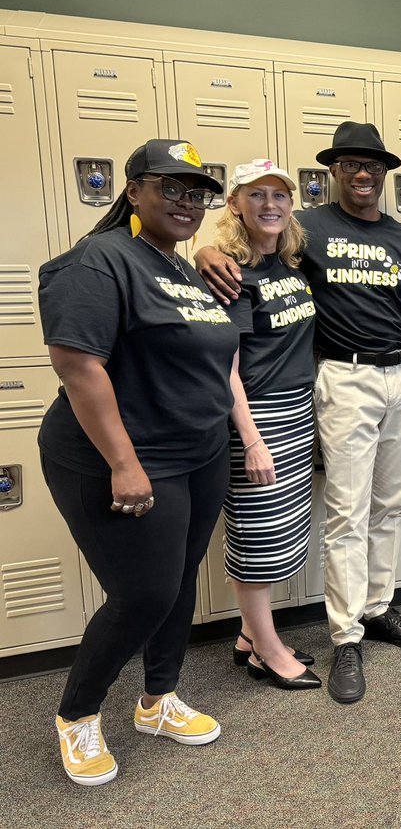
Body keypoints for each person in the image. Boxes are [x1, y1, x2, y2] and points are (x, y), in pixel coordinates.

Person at [196, 122, 401, 704]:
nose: (363, 174)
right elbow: (249, 245)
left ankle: (378, 608)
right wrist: (205, 249)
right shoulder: (312, 231)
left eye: (373, 166)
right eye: (351, 164)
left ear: (385, 174)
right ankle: (346, 635)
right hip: (343, 375)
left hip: (400, 375)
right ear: (333, 171)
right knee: (348, 513)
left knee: (390, 503)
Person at [39, 140, 237, 785]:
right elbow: (76, 363)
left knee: (177, 580)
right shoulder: (100, 261)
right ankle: (77, 714)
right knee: (143, 592)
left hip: (195, 451)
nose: (187, 202)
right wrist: (124, 464)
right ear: (134, 191)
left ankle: (158, 699)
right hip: (118, 456)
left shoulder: (180, 267)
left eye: (197, 192)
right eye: (170, 188)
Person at [212, 159, 321, 690]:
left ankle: (247, 635)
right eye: (256, 195)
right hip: (258, 416)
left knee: (278, 532)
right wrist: (252, 440)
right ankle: (268, 651)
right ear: (235, 204)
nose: (270, 205)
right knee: (258, 535)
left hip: (298, 410)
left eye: (279, 195)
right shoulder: (232, 275)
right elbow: (225, 366)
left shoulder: (292, 266)